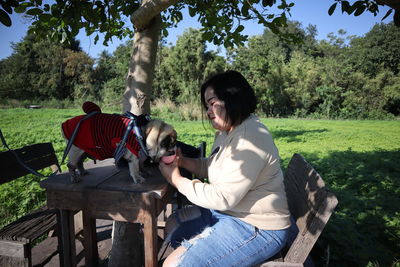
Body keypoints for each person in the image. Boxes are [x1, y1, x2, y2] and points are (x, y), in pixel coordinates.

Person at [159, 70, 292, 267]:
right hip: (229, 213)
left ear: (233, 98)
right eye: (207, 106)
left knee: (174, 265)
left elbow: (223, 197)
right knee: (173, 224)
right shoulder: (229, 131)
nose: (208, 111)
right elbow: (212, 166)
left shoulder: (249, 138)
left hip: (257, 227)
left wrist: (177, 180)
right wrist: (183, 161)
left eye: (212, 103)